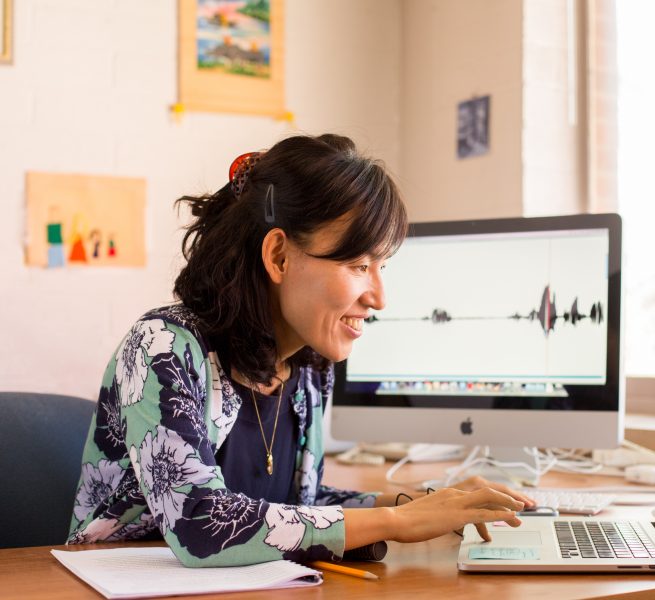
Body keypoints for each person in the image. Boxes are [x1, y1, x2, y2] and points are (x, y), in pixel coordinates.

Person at [68, 133, 532, 567]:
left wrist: (427, 502)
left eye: (381, 266)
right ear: (279, 257)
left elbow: (295, 512)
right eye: (357, 265)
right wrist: (398, 521)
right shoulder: (163, 348)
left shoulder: (308, 368)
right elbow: (200, 524)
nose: (378, 297)